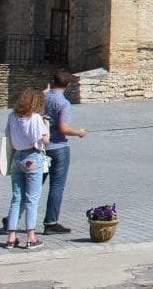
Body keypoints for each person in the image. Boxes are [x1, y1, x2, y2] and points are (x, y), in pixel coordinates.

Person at [42, 72, 87, 235]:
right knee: (56, 186)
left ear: (52, 82)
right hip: (58, 148)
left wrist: (46, 91)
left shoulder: (42, 98)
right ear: (67, 85)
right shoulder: (63, 103)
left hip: (41, 148)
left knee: (33, 185)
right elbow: (63, 128)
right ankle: (51, 222)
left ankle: (13, 217)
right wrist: (79, 132)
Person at [7, 89, 49, 249]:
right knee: (32, 198)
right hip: (32, 156)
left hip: (17, 157)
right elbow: (44, 139)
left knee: (17, 198)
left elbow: (9, 137)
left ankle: (11, 236)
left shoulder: (12, 116)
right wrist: (47, 125)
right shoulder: (36, 118)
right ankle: (31, 236)